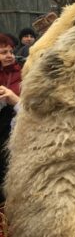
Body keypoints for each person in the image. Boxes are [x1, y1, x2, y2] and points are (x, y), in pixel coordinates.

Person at [0, 34, 21, 203]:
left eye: (10, 51)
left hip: (13, 126)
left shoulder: (21, 72)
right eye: (3, 52)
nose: (9, 55)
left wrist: (13, 98)